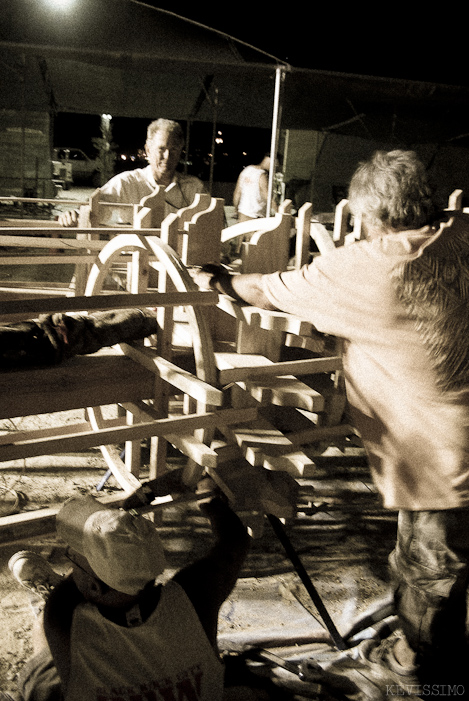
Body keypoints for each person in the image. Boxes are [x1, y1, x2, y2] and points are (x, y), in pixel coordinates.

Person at [195, 150, 469, 693]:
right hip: (455, 449)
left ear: (369, 215)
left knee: (428, 577)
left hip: (442, 465)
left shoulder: (368, 267)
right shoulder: (458, 235)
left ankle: (422, 679)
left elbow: (267, 287)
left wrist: (221, 279)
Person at [8, 485, 250, 701]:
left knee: (42, 669)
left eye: (74, 559)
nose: (71, 564)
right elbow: (235, 542)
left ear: (93, 587)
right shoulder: (196, 596)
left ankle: (46, 587)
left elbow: (66, 598)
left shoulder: (61, 618)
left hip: (71, 619)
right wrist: (211, 501)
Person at [58, 119, 206, 227]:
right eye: (161, 149)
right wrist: (76, 214)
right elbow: (98, 206)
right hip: (134, 264)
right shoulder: (127, 183)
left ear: (180, 151)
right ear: (148, 150)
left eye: (173, 149)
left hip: (177, 266)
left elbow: (211, 225)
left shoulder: (193, 189)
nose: (167, 156)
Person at [232, 153, 271, 221]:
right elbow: (266, 195)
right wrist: (278, 211)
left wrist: (236, 210)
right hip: (256, 215)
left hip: (243, 212)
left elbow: (237, 192)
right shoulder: (261, 175)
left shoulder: (247, 170)